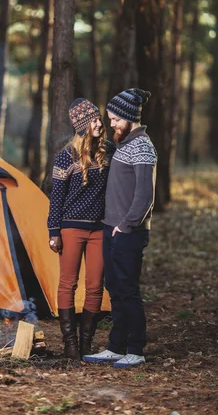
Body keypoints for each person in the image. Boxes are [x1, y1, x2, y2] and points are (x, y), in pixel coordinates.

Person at [84, 88, 157, 368]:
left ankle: (135, 350)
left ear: (128, 118)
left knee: (127, 290)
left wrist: (127, 225)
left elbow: (144, 195)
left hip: (128, 231)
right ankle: (116, 347)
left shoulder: (143, 147)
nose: (111, 124)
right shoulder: (126, 144)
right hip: (111, 228)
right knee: (114, 288)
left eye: (115, 120)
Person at [47, 98, 115, 359]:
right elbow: (57, 199)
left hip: (99, 229)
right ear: (82, 125)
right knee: (68, 284)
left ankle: (86, 343)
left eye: (99, 119)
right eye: (94, 121)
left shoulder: (109, 151)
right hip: (70, 229)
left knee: (96, 285)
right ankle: (70, 345)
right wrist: (53, 231)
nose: (100, 123)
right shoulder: (65, 157)